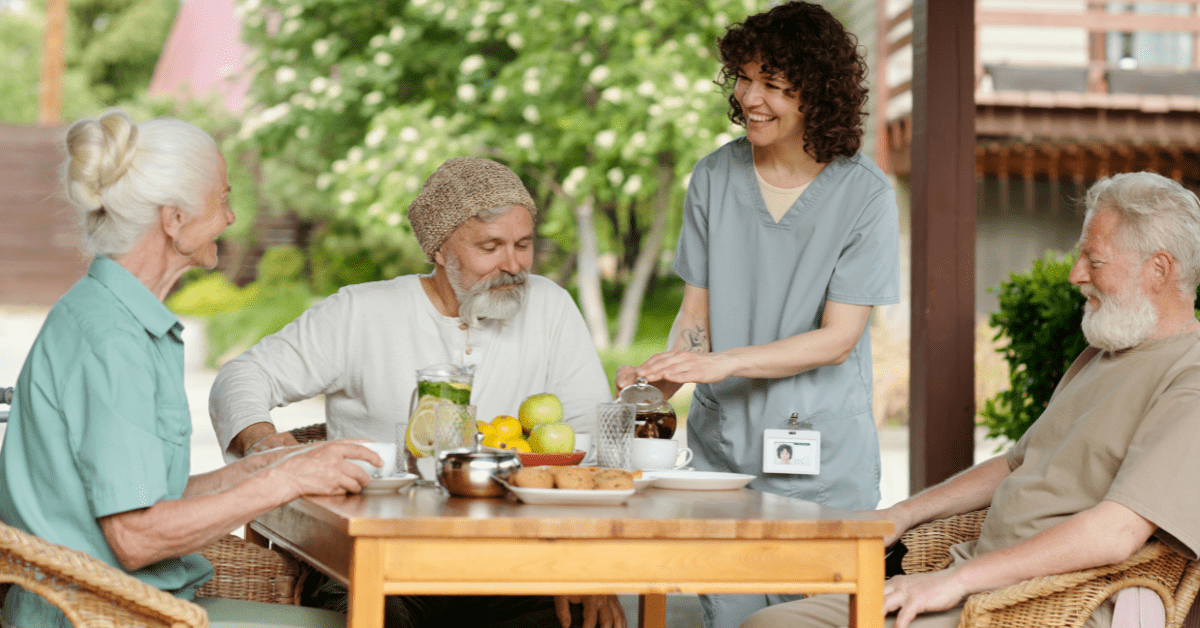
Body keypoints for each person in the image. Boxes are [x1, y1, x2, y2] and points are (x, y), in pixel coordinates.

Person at [741, 171, 1200, 628]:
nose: (1075, 274)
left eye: (1093, 261)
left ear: (1158, 270)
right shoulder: (1104, 352)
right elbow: (1016, 463)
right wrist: (897, 516)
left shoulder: (1189, 378)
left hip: (1044, 605)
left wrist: (958, 580)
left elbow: (1117, 533)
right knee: (769, 622)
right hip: (974, 579)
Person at [0, 110, 381, 628]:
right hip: (103, 616)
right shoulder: (112, 340)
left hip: (124, 605)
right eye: (221, 199)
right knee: (357, 621)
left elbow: (148, 495)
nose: (229, 217)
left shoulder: (117, 319)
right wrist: (282, 483)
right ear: (174, 218)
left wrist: (261, 466)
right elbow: (136, 536)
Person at [208, 156, 621, 628]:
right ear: (438, 249)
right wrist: (265, 444)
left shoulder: (551, 307)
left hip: (516, 565)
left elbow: (592, 446)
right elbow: (240, 378)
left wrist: (594, 570)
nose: (514, 264)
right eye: (491, 246)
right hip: (376, 562)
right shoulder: (362, 312)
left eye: (523, 245)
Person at [615, 3, 900, 625]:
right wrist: (657, 382)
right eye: (745, 78)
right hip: (723, 462)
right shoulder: (715, 176)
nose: (752, 98)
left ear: (817, 96)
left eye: (775, 85)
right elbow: (697, 316)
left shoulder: (866, 195)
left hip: (821, 459)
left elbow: (838, 339)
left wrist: (721, 363)